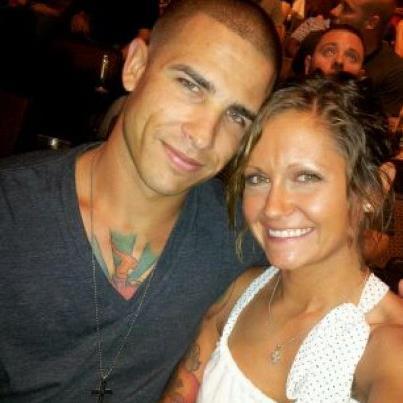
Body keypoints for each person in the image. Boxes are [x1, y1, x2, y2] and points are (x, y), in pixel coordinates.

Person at [0, 0, 282, 401]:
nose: (203, 135)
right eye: (191, 85)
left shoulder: (241, 239)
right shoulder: (11, 213)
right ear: (135, 65)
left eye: (237, 116)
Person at [160, 74, 403, 402]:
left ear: (373, 189)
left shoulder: (386, 345)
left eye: (306, 177)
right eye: (257, 178)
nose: (272, 208)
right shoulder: (237, 293)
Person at [331, 0, 403, 117]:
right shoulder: (317, 43)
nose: (334, 11)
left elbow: (378, 126)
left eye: (347, 9)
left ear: (371, 22)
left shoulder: (394, 72)